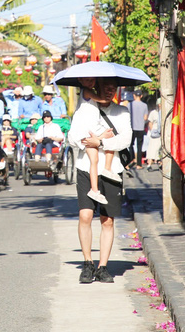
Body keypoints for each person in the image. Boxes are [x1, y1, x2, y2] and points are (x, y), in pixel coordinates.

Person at [68, 77, 131, 283]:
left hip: (112, 170)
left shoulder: (122, 112)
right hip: (86, 167)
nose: (109, 91)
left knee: (108, 220)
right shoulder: (85, 108)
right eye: (105, 87)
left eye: (113, 88)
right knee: (85, 216)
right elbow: (72, 136)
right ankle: (87, 263)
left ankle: (103, 267)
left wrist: (100, 141)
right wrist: (88, 141)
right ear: (97, 88)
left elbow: (125, 140)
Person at [69, 77, 120, 205]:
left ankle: (107, 169)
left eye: (92, 80)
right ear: (81, 81)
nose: (90, 82)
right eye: (87, 80)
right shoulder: (86, 91)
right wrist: (102, 84)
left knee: (110, 137)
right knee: (94, 160)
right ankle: (94, 189)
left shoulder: (88, 93)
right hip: (86, 132)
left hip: (93, 130)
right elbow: (103, 99)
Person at [128, 89, 148, 169]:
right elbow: (145, 117)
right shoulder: (144, 105)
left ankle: (131, 160)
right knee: (139, 146)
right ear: (141, 96)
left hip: (132, 128)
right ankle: (139, 164)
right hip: (140, 128)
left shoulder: (130, 105)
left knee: (130, 145)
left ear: (134, 95)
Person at [146, 102, 162, 171]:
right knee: (151, 149)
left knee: (161, 149)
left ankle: (161, 163)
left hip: (162, 133)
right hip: (155, 133)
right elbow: (150, 122)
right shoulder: (153, 112)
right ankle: (149, 164)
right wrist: (152, 130)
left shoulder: (164, 112)